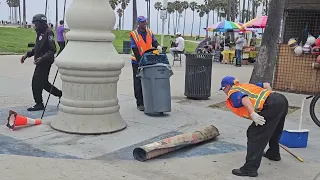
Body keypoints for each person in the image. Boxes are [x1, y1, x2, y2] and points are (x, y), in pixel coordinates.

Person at [219, 76, 288, 177]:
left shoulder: (232, 92)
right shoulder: (245, 85)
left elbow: (244, 98)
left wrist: (253, 113)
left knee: (254, 134)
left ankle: (250, 169)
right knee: (274, 129)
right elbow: (266, 84)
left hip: (272, 104)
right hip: (281, 99)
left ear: (227, 87)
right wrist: (270, 94)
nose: (224, 91)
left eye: (223, 89)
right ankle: (273, 153)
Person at [20, 14, 62, 111]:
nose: (35, 26)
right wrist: (27, 55)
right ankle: (60, 94)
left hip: (45, 62)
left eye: (36, 24)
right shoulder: (40, 33)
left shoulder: (48, 33)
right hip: (40, 62)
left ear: (41, 23)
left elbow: (52, 50)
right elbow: (37, 48)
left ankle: (39, 104)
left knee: (36, 82)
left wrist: (42, 58)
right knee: (44, 83)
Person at [130, 16, 162, 111]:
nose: (144, 24)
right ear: (138, 24)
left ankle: (148, 101)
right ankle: (140, 103)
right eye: (142, 22)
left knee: (148, 81)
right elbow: (135, 48)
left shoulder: (149, 32)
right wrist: (141, 62)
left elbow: (154, 42)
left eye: (145, 22)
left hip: (148, 59)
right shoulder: (134, 34)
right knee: (138, 81)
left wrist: (158, 46)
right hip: (137, 61)